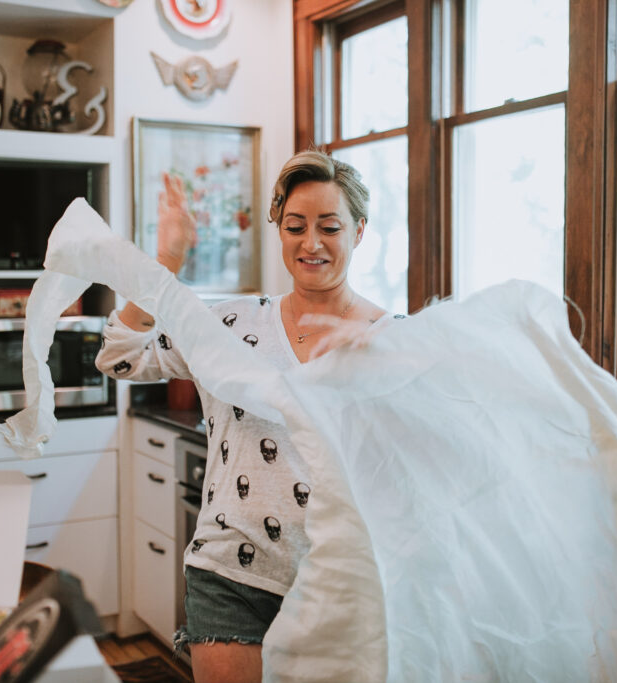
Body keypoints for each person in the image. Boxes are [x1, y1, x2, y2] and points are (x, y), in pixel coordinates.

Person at [95, 150, 393, 683]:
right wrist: (164, 262)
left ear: (359, 231)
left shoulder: (392, 340)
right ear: (278, 228)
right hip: (230, 574)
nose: (312, 243)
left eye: (330, 226)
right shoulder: (231, 324)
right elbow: (120, 354)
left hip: (341, 582)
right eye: (296, 226)